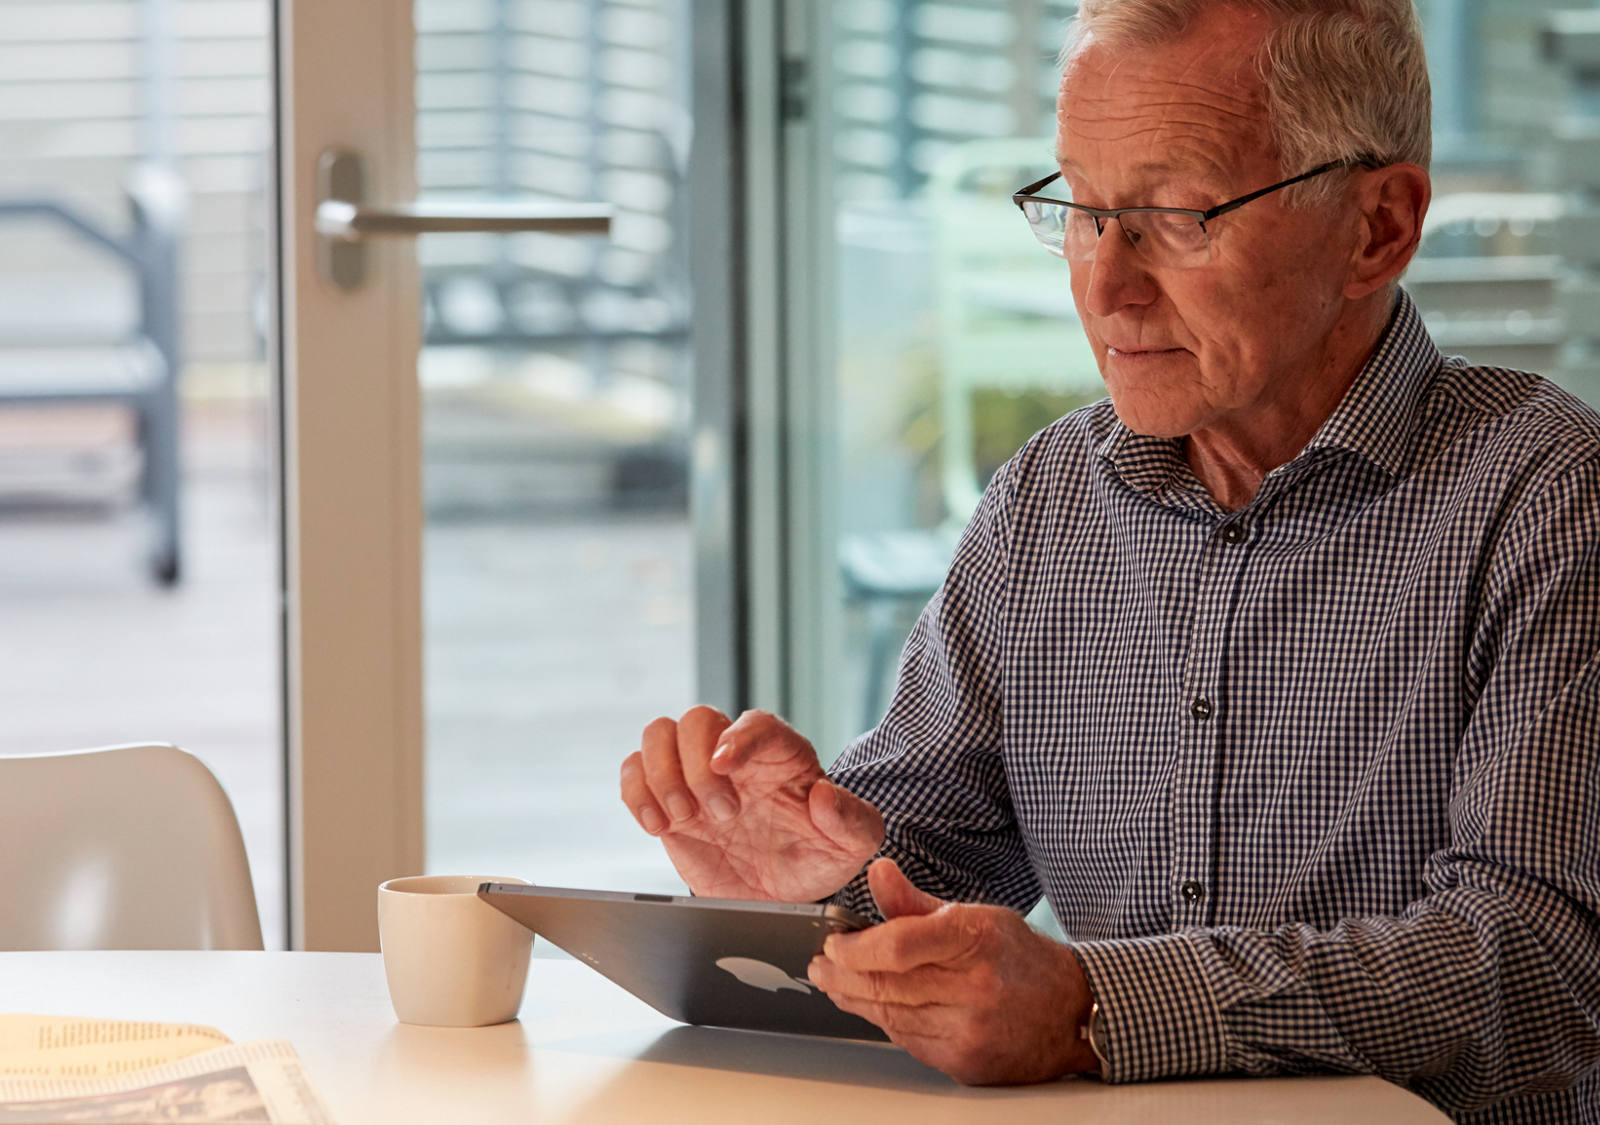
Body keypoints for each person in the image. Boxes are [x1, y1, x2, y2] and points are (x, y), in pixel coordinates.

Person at [619, 1, 1600, 1119]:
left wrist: (1094, 1008)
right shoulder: (1048, 496)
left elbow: (1537, 968)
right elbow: (937, 863)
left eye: (1177, 216)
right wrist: (821, 890)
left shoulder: (1553, 498)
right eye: (1081, 211)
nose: (1104, 284)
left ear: (1377, 226)